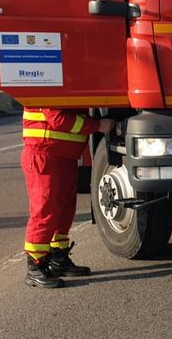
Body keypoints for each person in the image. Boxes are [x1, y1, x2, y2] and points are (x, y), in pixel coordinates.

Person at [21, 108, 115, 288]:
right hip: (44, 154)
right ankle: (35, 265)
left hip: (62, 157)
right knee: (45, 211)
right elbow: (58, 119)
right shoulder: (47, 90)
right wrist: (97, 125)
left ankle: (58, 257)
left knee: (64, 211)